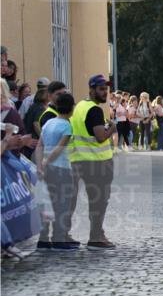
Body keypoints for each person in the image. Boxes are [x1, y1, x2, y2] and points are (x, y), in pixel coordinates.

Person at [69, 74, 116, 249]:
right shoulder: (95, 110)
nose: (105, 92)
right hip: (97, 163)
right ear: (92, 89)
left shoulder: (80, 106)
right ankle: (96, 237)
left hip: (79, 160)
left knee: (78, 200)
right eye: (101, 89)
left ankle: (66, 234)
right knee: (99, 201)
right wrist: (112, 128)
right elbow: (100, 137)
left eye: (106, 89)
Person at [34, 91, 78, 250]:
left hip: (46, 171)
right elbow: (60, 148)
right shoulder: (67, 126)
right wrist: (47, 161)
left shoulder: (48, 123)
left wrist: (40, 165)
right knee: (62, 204)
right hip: (61, 169)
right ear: (71, 108)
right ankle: (59, 238)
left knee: (46, 203)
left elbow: (40, 146)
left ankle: (43, 239)